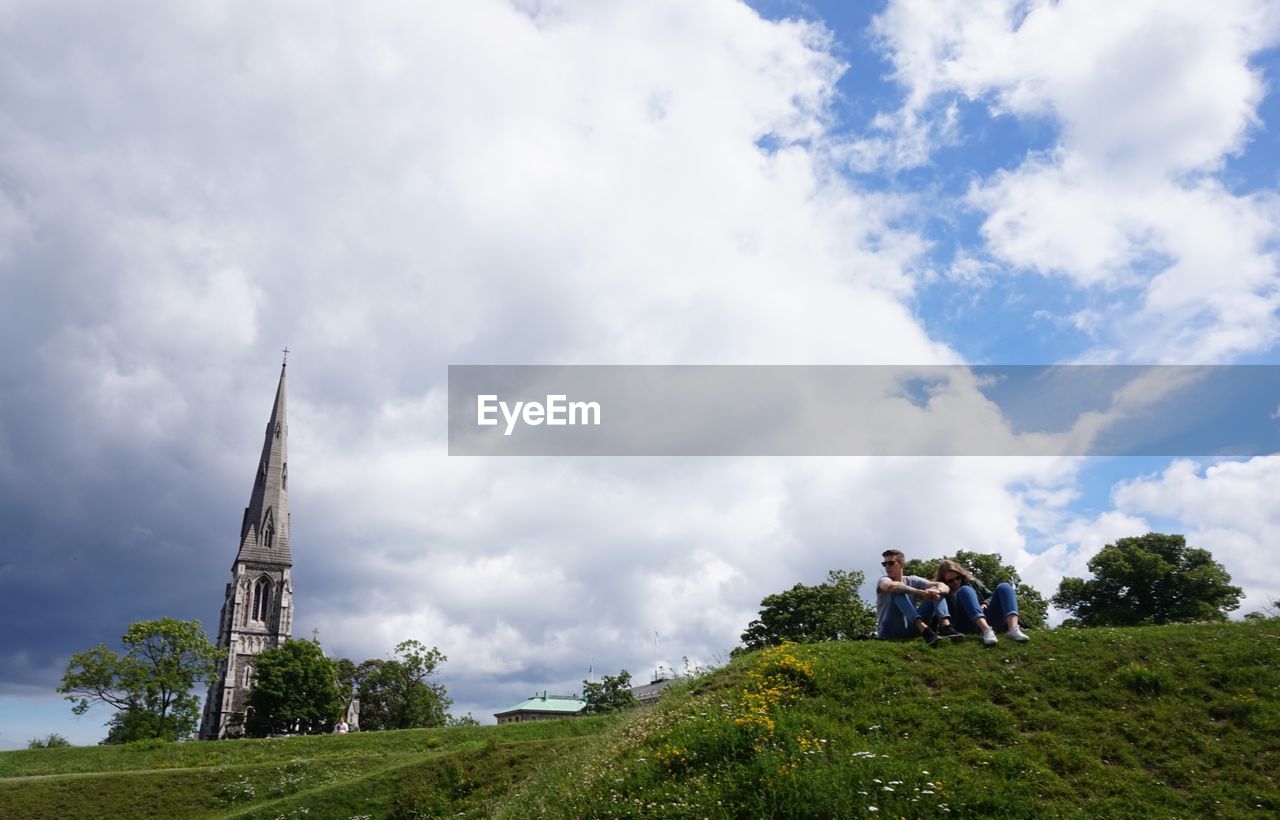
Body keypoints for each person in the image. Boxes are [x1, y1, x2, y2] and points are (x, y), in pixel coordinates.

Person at [876, 549, 965, 646]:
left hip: (911, 628)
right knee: (897, 591)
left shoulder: (912, 579)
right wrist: (920, 592)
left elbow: (944, 586)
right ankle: (925, 630)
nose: (887, 567)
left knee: (934, 590)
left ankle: (946, 627)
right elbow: (891, 586)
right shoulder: (884, 580)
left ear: (901, 565)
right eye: (884, 564)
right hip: (889, 630)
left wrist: (936, 591)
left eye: (891, 563)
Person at [934, 558, 1030, 645]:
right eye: (951, 581)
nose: (955, 582)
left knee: (1004, 587)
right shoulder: (942, 593)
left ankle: (1013, 629)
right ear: (944, 581)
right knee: (964, 590)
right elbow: (938, 615)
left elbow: (991, 596)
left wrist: (985, 603)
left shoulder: (972, 583)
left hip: (986, 618)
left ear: (961, 575)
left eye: (957, 578)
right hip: (963, 624)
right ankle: (986, 630)